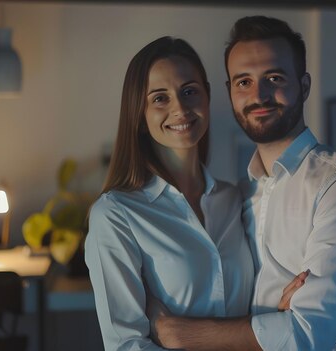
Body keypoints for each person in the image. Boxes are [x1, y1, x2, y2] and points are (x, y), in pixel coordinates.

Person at [152, 16, 336, 350]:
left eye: (274, 78)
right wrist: (274, 319)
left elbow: (306, 334)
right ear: (230, 92)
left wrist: (179, 334)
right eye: (243, 82)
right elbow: (237, 304)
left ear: (303, 86)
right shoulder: (240, 195)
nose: (258, 95)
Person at [84, 36, 301, 350]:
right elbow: (127, 345)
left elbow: (259, 301)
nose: (180, 108)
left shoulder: (236, 199)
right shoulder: (116, 215)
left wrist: (276, 316)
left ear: (208, 96)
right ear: (139, 113)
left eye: (189, 91)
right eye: (160, 98)